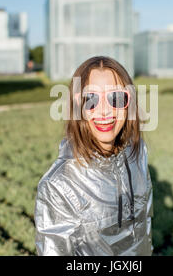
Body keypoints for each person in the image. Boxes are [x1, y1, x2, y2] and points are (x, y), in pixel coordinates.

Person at [34, 56, 153, 256]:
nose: (105, 111)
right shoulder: (58, 186)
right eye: (90, 99)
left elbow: (145, 225)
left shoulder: (138, 154)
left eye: (116, 98)